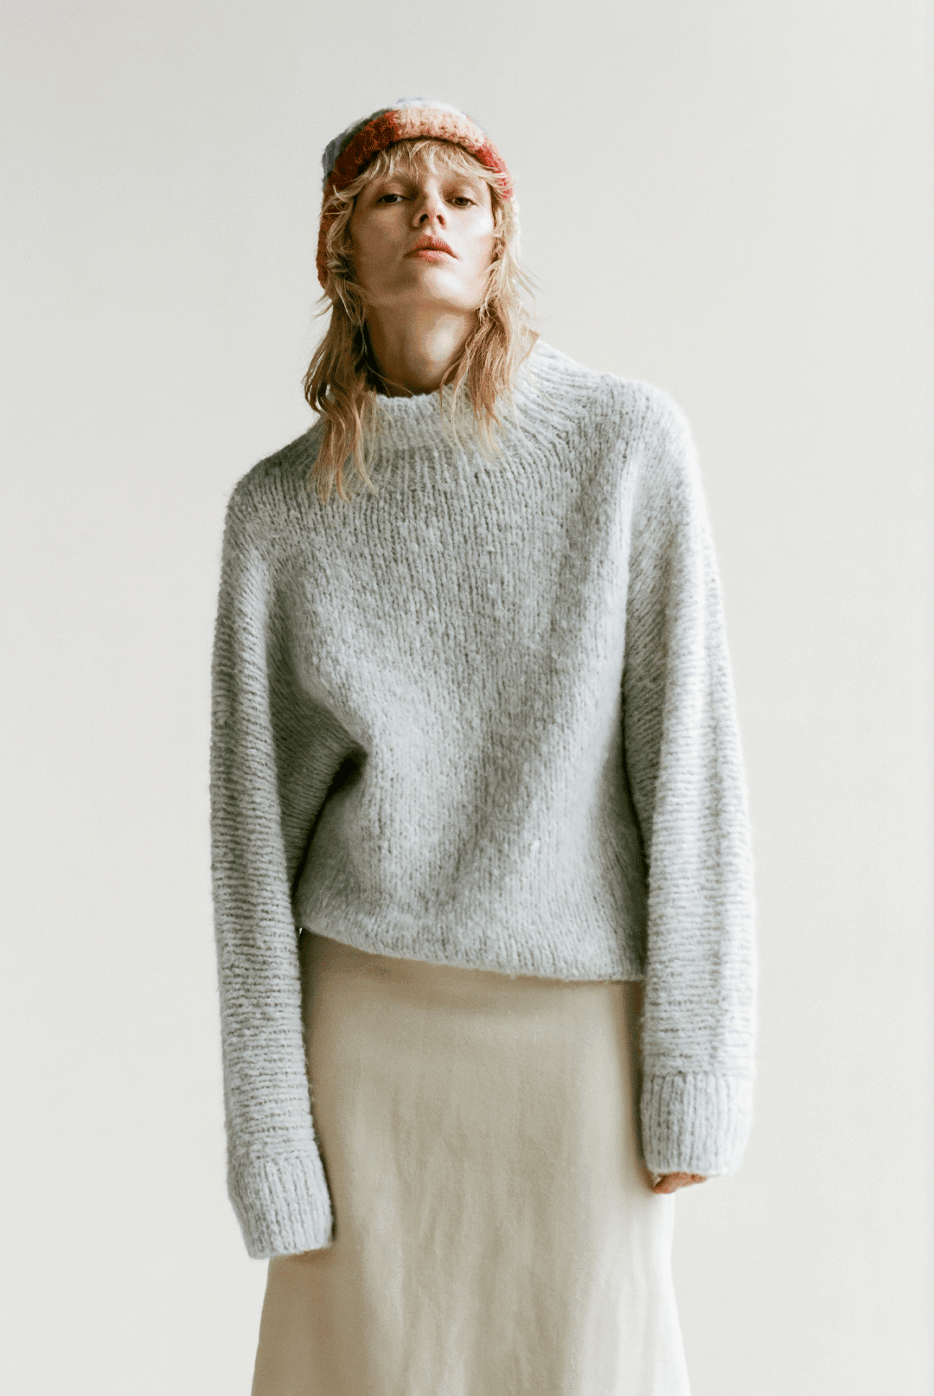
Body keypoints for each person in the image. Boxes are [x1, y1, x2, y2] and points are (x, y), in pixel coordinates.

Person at [209, 98, 757, 1396]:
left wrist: (695, 1064)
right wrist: (268, 1136)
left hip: (577, 1033)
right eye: (393, 196)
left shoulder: (626, 444)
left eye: (461, 198)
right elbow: (247, 845)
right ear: (341, 246)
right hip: (366, 1034)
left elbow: (690, 770)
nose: (430, 218)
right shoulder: (279, 511)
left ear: (498, 241)